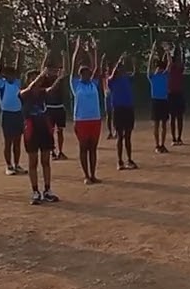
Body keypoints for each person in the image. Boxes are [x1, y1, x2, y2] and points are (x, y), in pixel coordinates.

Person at [20, 60, 63, 205]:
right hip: (31, 130)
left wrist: (59, 78)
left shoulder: (43, 93)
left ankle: (47, 190)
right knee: (33, 162)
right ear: (28, 81)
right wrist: (42, 74)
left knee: (46, 161)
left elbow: (52, 89)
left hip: (44, 129)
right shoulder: (23, 94)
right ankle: (35, 191)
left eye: (37, 78)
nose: (37, 81)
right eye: (33, 78)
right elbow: (31, 87)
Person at [70, 37, 105, 184]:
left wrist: (94, 50)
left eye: (89, 73)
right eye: (84, 73)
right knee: (83, 148)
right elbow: (73, 68)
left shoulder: (93, 83)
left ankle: (93, 175)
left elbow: (97, 67)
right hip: (81, 120)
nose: (87, 75)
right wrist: (77, 49)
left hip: (95, 119)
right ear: (80, 75)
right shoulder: (76, 84)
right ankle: (86, 175)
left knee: (93, 148)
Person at [0, 41, 26, 176]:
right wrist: (2, 52)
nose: (12, 76)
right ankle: (9, 166)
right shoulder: (1, 84)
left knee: (17, 142)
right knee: (8, 142)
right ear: (4, 76)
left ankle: (17, 165)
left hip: (18, 114)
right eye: (9, 74)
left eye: (13, 75)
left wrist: (19, 52)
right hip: (7, 115)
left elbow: (19, 68)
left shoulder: (17, 83)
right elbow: (0, 67)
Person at [107, 53, 138, 170]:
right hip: (119, 110)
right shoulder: (111, 81)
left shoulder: (127, 78)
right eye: (119, 69)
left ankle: (129, 159)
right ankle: (120, 161)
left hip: (128, 109)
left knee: (128, 136)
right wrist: (119, 61)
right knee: (120, 136)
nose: (121, 70)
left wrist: (134, 64)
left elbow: (135, 74)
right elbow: (114, 73)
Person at [148, 44, 172, 154]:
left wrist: (167, 51)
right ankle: (157, 145)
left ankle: (162, 144)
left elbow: (170, 64)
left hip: (163, 101)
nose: (158, 69)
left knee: (163, 125)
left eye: (160, 67)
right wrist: (152, 53)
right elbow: (149, 66)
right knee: (157, 125)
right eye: (157, 67)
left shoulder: (164, 75)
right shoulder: (152, 76)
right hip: (156, 101)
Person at [46, 68, 69, 161]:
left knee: (60, 131)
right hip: (49, 108)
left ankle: (60, 151)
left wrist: (60, 78)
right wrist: (59, 78)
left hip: (59, 108)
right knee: (50, 131)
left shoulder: (61, 81)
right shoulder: (45, 81)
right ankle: (52, 151)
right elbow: (51, 90)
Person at [166, 41, 186, 145]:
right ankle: (174, 138)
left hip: (178, 94)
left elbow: (182, 61)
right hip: (171, 94)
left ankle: (179, 138)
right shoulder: (172, 67)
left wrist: (181, 49)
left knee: (179, 117)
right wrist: (168, 52)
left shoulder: (180, 67)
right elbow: (170, 62)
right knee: (173, 117)